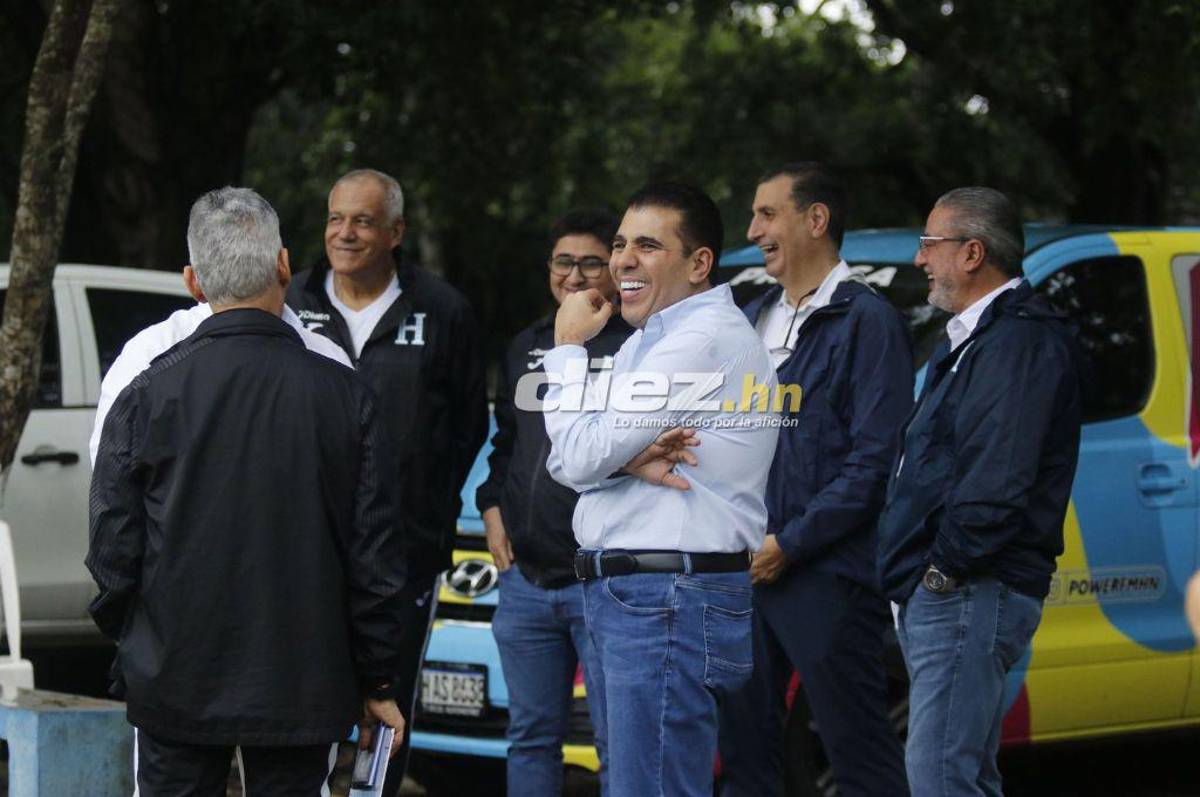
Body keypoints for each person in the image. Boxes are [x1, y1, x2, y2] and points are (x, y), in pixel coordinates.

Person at [88, 187, 408, 795]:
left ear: (192, 281)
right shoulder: (343, 387)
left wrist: (138, 640)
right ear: (284, 265)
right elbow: (375, 561)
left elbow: (110, 541)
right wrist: (378, 679)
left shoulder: (147, 386)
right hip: (303, 675)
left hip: (174, 669)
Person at [542, 182, 780, 797]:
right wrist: (620, 461)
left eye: (648, 245)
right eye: (620, 243)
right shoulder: (656, 338)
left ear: (699, 263)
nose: (623, 259)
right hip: (649, 595)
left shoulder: (697, 339)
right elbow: (573, 459)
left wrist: (567, 349)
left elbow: (574, 452)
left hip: (664, 596)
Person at [285, 168, 489, 791]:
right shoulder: (289, 302)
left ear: (396, 231)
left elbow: (466, 427)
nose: (345, 233)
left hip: (404, 553)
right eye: (336, 218)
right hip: (304, 551)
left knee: (387, 701)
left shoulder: (444, 310)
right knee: (302, 697)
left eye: (364, 221)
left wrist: (422, 504)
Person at [877, 187, 1082, 796]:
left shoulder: (1017, 340)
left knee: (940, 776)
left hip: (968, 587)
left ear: (972, 253)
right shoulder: (976, 336)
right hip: (953, 588)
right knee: (964, 774)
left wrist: (943, 573)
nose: (920, 261)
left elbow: (997, 480)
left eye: (928, 245)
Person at [718, 163, 910, 796]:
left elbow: (872, 464)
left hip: (825, 575)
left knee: (857, 752)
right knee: (747, 756)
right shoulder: (749, 317)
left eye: (767, 214)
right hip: (743, 569)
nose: (753, 230)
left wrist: (791, 544)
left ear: (816, 219)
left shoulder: (868, 322)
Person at [475, 208, 631, 795]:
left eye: (591, 262)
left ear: (615, 271)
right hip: (525, 583)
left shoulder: (638, 345)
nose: (574, 275)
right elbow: (505, 446)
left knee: (618, 742)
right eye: (563, 262)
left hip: (603, 582)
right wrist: (492, 509)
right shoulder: (528, 345)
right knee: (531, 738)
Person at [88, 294, 350, 467]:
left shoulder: (149, 353)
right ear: (283, 265)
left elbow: (112, 474)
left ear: (192, 281)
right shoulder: (330, 359)